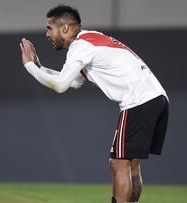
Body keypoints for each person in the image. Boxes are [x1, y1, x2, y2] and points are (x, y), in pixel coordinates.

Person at [19, 5, 169, 203]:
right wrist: (40, 67)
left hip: (139, 100)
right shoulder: (89, 39)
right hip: (157, 98)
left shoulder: (80, 47)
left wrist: (29, 66)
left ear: (64, 28)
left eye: (49, 27)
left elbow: (60, 85)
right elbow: (73, 82)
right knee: (130, 164)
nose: (47, 33)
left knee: (118, 163)